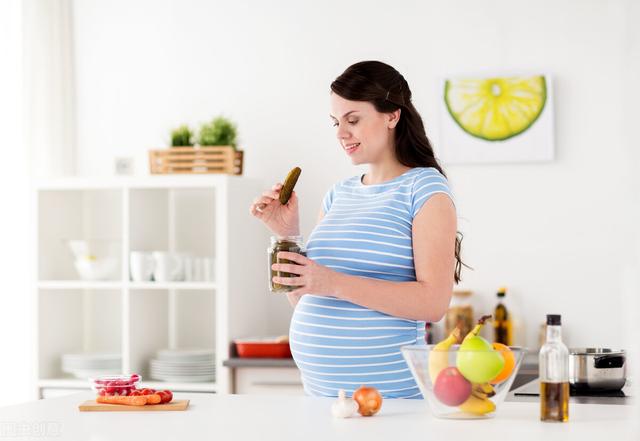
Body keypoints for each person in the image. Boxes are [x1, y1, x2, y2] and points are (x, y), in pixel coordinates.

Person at [249, 60, 464, 399]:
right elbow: (304, 298)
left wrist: (332, 282)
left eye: (353, 120)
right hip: (323, 399)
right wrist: (287, 235)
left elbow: (433, 303)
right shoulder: (339, 194)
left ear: (392, 115)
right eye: (336, 122)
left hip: (389, 401)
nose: (340, 133)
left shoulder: (424, 189)